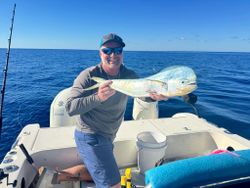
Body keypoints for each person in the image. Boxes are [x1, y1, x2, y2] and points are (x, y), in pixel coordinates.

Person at [64, 33, 167, 188]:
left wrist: (154, 97)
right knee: (113, 184)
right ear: (100, 53)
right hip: (90, 135)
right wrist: (97, 97)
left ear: (122, 53)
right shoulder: (88, 75)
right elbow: (70, 107)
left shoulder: (128, 75)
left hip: (108, 135)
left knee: (96, 171)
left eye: (118, 50)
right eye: (107, 51)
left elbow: (142, 94)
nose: (113, 55)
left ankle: (54, 175)